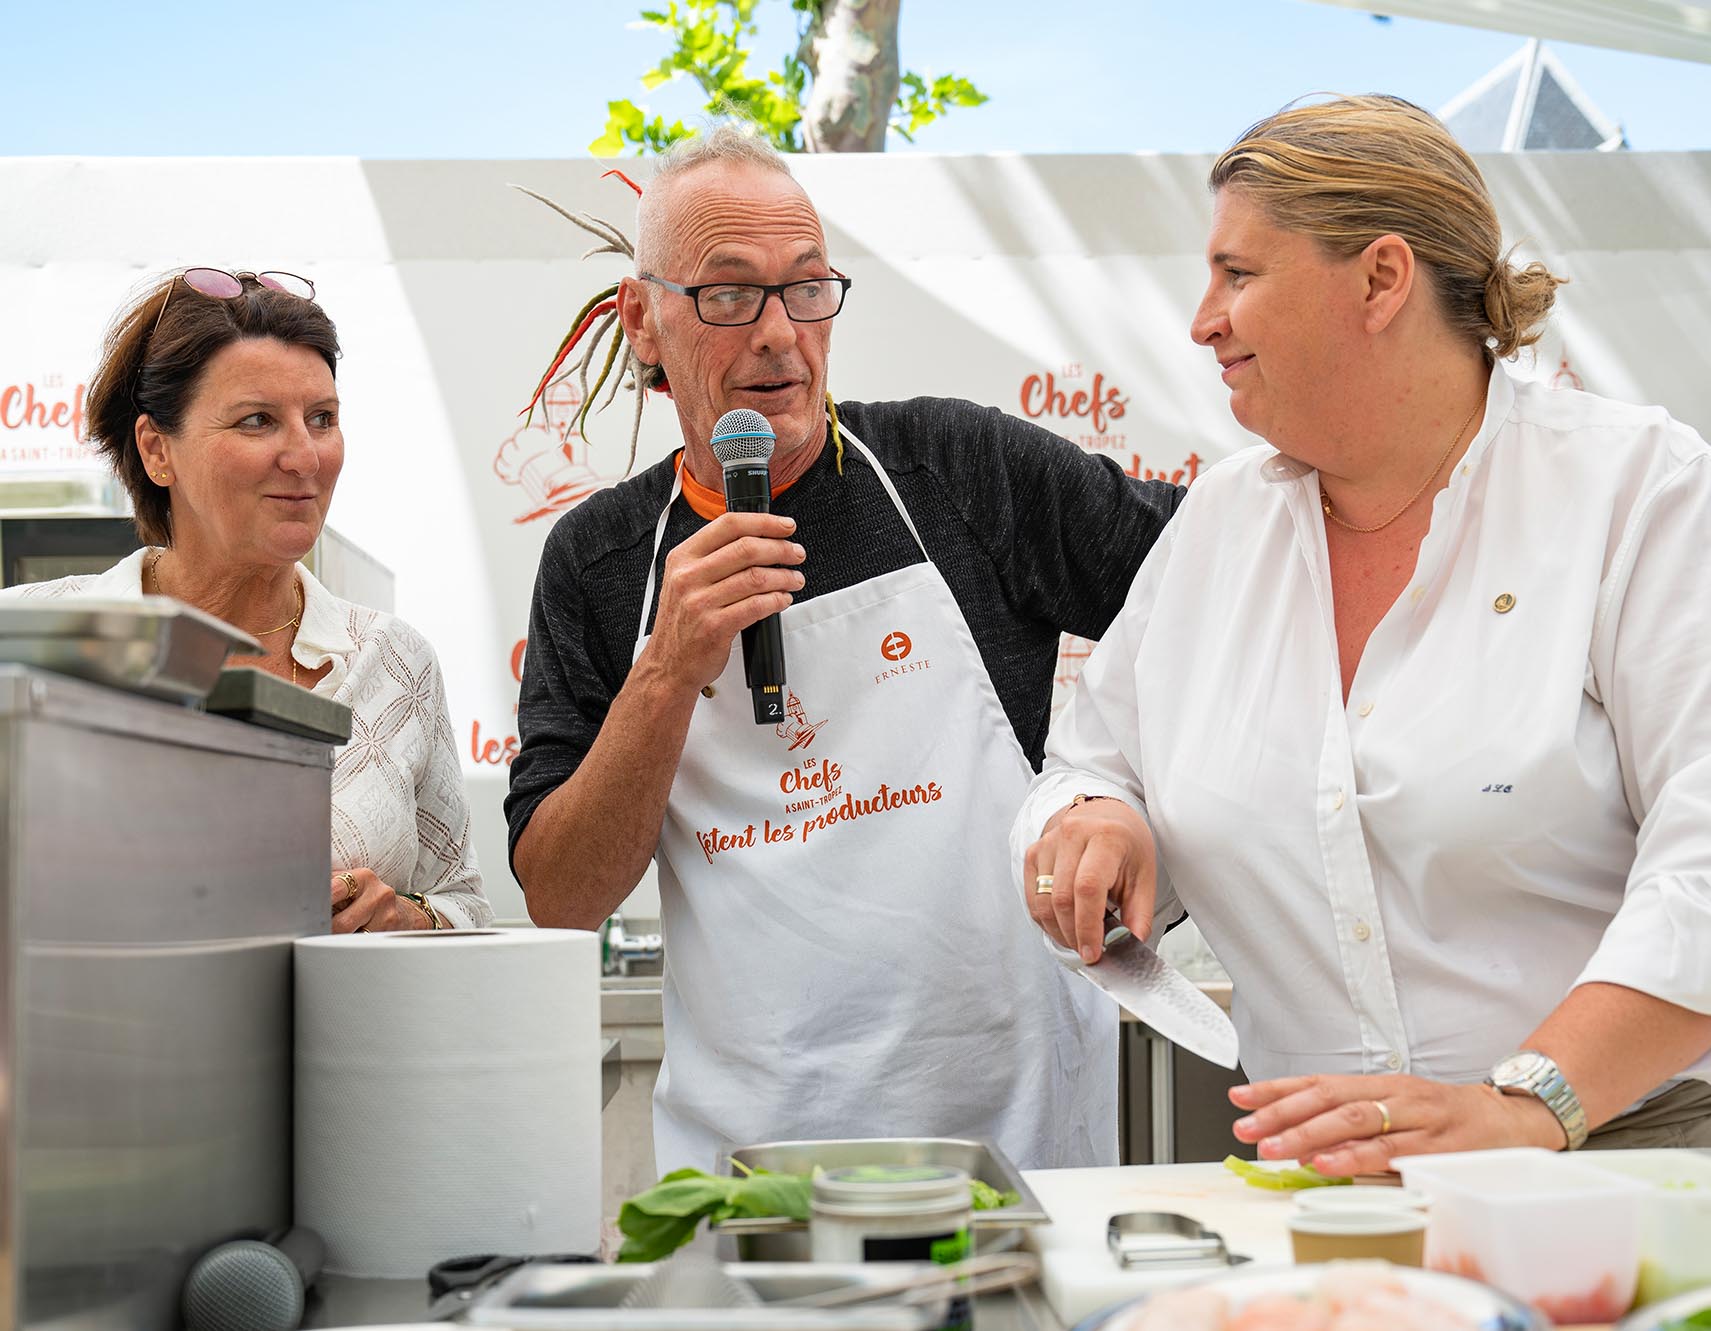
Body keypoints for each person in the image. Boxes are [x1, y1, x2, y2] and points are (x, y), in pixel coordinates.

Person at [1016, 94, 1711, 1171]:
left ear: (1382, 278)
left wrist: (1525, 1105)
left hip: (1628, 1159)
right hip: (1323, 1182)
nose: (1203, 319)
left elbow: (1702, 860)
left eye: (1238, 274)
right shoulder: (1221, 525)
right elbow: (1090, 763)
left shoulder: (1640, 493)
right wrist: (1096, 822)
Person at [506, 126, 1184, 1173]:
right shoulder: (597, 560)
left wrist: (1113, 792)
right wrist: (667, 668)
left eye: (808, 288)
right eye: (729, 294)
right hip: (754, 1164)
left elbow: (1218, 584)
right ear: (644, 320)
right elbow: (561, 895)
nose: (779, 335)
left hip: (1016, 1140)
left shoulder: (958, 469)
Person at [4, 268, 492, 933]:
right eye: (257, 420)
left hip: (332, 1040)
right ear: (156, 450)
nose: (304, 456)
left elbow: (464, 906)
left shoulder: (395, 664)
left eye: (321, 418)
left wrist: (408, 920)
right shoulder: (29, 636)